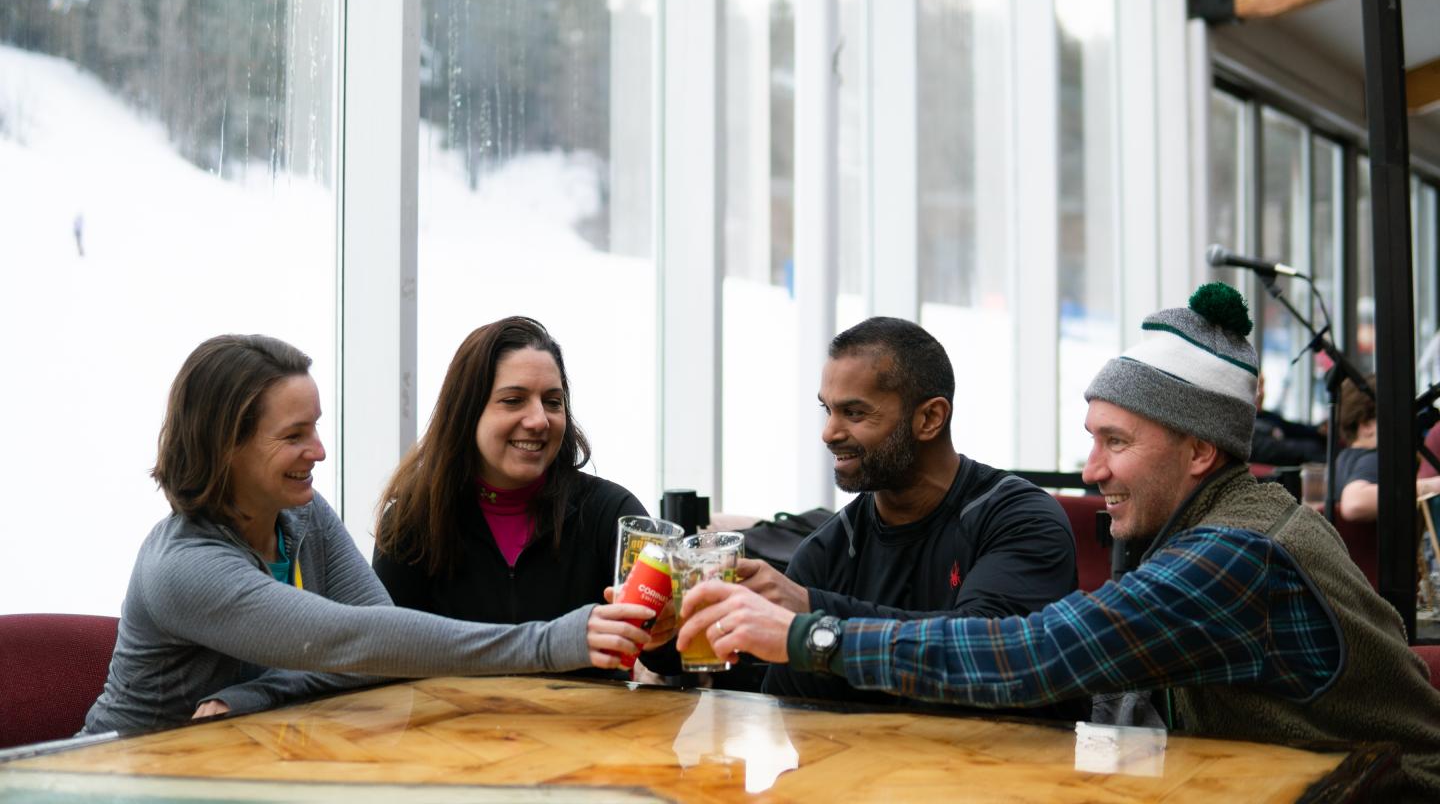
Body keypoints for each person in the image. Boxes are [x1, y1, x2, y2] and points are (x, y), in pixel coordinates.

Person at [679, 284, 1440, 799]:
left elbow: (1031, 656)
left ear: (1200, 451)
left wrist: (813, 633)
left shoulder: (1234, 554)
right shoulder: (1216, 524)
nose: (1091, 470)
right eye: (1092, 439)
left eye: (1117, 441)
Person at [85, 335, 660, 736]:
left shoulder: (304, 518)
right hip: (128, 778)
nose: (319, 451)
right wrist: (556, 640)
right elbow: (356, 639)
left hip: (233, 767)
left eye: (315, 427)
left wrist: (255, 695)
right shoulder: (185, 567)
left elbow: (378, 653)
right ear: (226, 447)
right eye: (294, 436)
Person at [733, 316, 1077, 706]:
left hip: (1009, 764)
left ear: (929, 418)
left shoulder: (1021, 521)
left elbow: (987, 650)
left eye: (855, 413)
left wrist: (814, 613)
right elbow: (798, 720)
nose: (829, 432)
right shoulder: (824, 554)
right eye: (827, 410)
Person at [372, 316, 675, 675]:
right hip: (453, 727)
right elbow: (385, 656)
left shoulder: (610, 513)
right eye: (514, 400)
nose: (539, 420)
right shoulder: (413, 520)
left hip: (587, 729)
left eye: (552, 402)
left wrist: (663, 636)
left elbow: (673, 663)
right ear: (467, 413)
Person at [1334, 373, 1440, 522]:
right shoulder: (1374, 459)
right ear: (1366, 425)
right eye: (1396, 416)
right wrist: (1434, 485)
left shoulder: (1343, 459)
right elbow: (1354, 503)